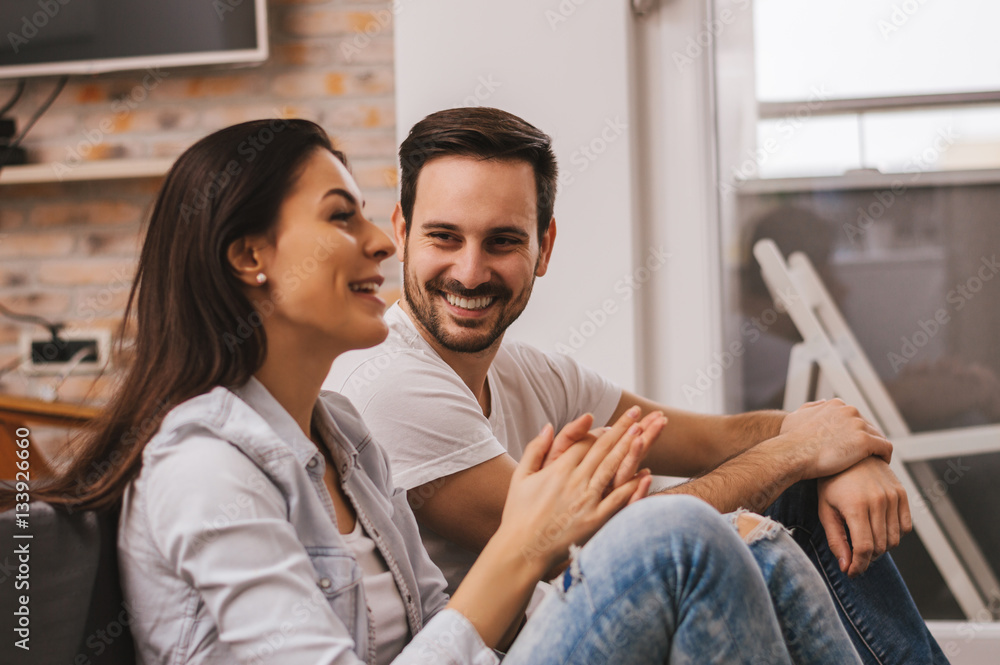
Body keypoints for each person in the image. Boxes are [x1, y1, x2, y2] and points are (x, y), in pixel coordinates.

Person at [1, 119, 866, 664]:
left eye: (502, 240)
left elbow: (439, 626)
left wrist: (827, 442)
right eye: (344, 216)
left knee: (746, 539)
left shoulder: (338, 433)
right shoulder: (204, 470)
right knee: (677, 531)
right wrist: (528, 545)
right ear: (249, 255)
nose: (382, 243)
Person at [325, 107, 950, 664]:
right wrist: (801, 450)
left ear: (543, 246)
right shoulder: (388, 382)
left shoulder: (530, 371)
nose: (470, 269)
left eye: (503, 241)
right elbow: (612, 543)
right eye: (444, 236)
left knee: (791, 490)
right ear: (402, 232)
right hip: (512, 649)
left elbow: (715, 442)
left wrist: (834, 445)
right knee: (728, 537)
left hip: (565, 625)